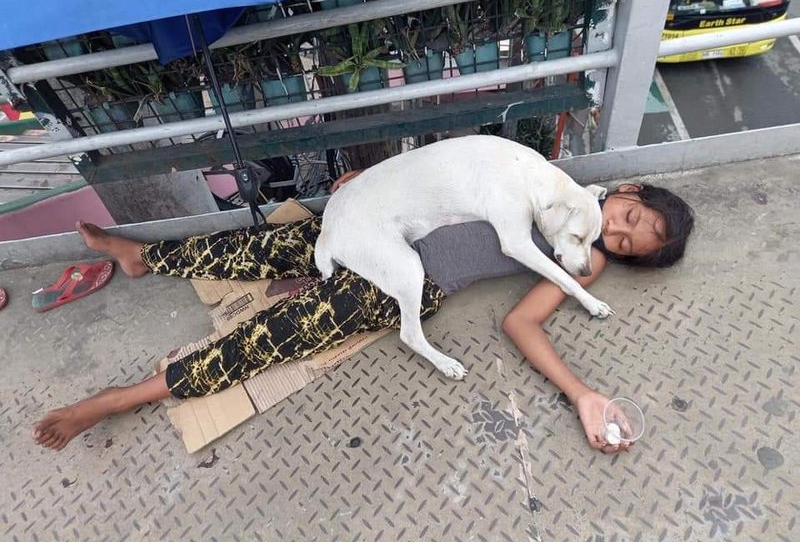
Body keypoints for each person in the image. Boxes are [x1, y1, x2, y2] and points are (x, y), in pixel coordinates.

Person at [31, 169, 693, 454]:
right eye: (631, 217)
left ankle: (121, 398)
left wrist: (581, 394)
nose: (619, 232)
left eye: (631, 244)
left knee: (273, 337)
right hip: (386, 223)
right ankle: (147, 259)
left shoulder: (586, 259)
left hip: (408, 282)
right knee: (264, 246)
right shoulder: (554, 177)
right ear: (627, 190)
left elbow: (521, 322)